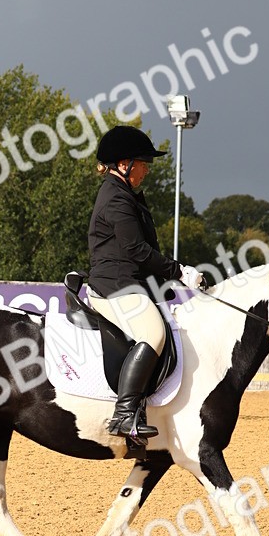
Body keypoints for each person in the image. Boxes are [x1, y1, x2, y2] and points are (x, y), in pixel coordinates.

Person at [87, 126, 203, 444]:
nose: (147, 169)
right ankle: (124, 414)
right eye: (143, 162)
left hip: (131, 282)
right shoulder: (115, 198)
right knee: (153, 333)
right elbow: (137, 250)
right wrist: (179, 271)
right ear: (124, 164)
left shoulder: (127, 194)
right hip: (115, 285)